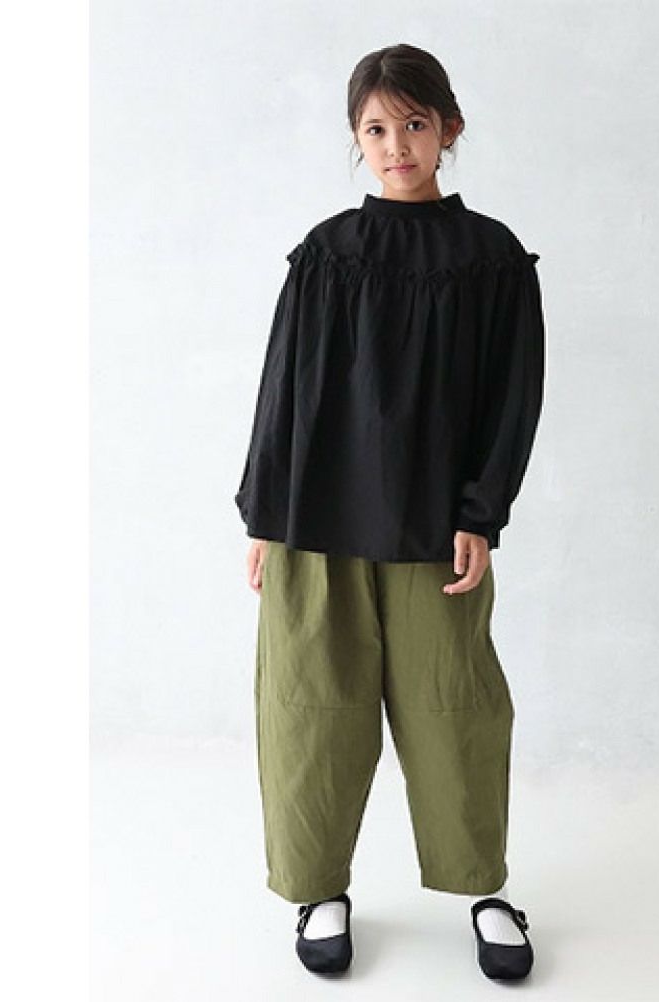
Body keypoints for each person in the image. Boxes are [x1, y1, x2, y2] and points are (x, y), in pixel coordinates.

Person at [233, 43, 545, 982]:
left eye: (413, 124)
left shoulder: (490, 258)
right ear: (356, 139)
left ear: (449, 128)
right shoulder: (328, 254)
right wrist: (263, 514)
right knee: (310, 714)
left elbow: (512, 398)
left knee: (457, 713)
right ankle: (318, 888)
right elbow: (282, 390)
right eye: (375, 129)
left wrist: (481, 513)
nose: (396, 145)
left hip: (434, 534)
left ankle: (482, 887)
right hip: (316, 527)